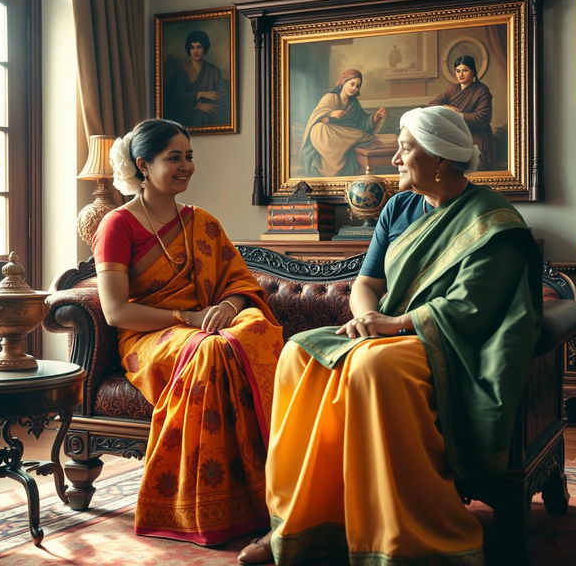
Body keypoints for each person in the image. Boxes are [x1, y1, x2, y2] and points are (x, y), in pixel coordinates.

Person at [238, 106, 542, 565]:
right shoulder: (399, 207)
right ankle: (301, 524)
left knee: (371, 364)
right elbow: (367, 283)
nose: (395, 160)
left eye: (405, 149)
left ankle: (396, 537)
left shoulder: (493, 220)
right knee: (299, 353)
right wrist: (365, 319)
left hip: (450, 344)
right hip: (385, 328)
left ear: (439, 159)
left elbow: (471, 307)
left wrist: (393, 326)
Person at [92, 118, 283, 546]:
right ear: (144, 164)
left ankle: (271, 493)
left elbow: (240, 284)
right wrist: (188, 319)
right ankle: (207, 505)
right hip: (150, 336)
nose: (187, 166)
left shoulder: (203, 222)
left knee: (250, 330)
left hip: (207, 324)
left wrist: (229, 307)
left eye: (189, 156)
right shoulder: (117, 226)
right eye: (173, 157)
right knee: (212, 350)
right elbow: (116, 310)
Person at [301, 69, 387, 177]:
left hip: (341, 137)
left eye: (357, 86)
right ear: (343, 82)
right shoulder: (330, 97)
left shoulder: (353, 103)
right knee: (320, 128)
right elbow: (316, 118)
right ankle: (360, 138)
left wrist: (376, 117)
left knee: (352, 132)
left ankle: (357, 139)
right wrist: (331, 114)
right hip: (325, 136)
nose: (354, 88)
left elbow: (361, 122)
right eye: (352, 84)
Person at [429, 54, 496, 170]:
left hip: (476, 134)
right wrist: (447, 108)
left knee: (470, 155)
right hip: (456, 131)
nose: (460, 75)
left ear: (473, 72)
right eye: (458, 71)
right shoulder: (452, 89)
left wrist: (457, 115)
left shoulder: (481, 90)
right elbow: (432, 105)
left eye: (465, 70)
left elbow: (482, 118)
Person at [167, 30, 229, 127]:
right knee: (199, 116)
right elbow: (178, 97)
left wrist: (210, 104)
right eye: (192, 47)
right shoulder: (182, 72)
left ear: (204, 49)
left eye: (199, 47)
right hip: (188, 113)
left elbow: (223, 94)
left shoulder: (213, 71)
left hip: (211, 111)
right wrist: (199, 99)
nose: (195, 51)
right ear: (189, 49)